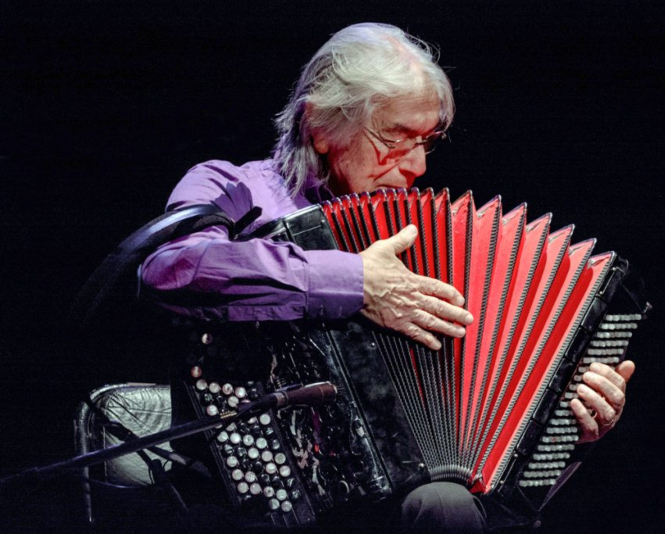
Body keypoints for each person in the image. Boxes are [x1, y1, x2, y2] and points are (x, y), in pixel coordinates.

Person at [141, 22, 635, 533]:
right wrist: (355, 280)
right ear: (320, 126)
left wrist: (561, 425)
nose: (417, 165)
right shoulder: (232, 188)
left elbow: (480, 421)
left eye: (427, 141)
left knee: (449, 505)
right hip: (255, 493)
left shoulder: (430, 235)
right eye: (395, 138)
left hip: (392, 505)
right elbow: (169, 268)